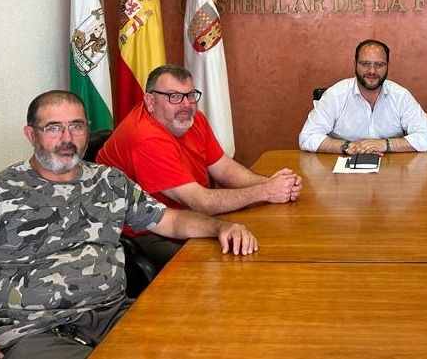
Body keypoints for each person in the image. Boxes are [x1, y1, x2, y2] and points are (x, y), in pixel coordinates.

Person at [0, 90, 258, 359]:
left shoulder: (109, 181)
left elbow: (169, 220)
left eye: (77, 126)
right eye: (53, 127)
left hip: (113, 316)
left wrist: (219, 228)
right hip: (31, 333)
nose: (67, 138)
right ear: (31, 134)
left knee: (212, 342)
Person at [97, 64, 301, 269]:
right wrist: (265, 191)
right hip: (148, 232)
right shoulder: (145, 137)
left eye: (190, 95)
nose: (185, 104)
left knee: (264, 241)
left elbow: (224, 169)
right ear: (150, 101)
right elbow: (200, 201)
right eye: (174, 97)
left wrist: (276, 185)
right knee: (226, 264)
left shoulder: (191, 120)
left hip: (192, 219)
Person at [299, 39, 427, 155]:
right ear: (355, 64)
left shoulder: (401, 96)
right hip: (343, 175)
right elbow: (307, 137)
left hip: (391, 172)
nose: (372, 71)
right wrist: (348, 147)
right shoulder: (335, 95)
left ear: (388, 66)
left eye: (379, 65)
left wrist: (385, 144)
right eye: (365, 64)